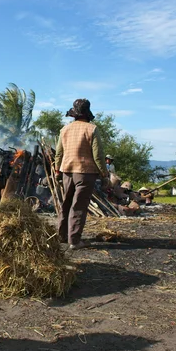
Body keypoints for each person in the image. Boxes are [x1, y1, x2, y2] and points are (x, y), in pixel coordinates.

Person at [54, 98, 108, 250]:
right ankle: (75, 241)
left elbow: (58, 153)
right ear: (87, 113)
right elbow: (97, 155)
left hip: (67, 171)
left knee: (66, 204)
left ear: (74, 114)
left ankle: (62, 236)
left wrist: (57, 170)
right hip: (85, 173)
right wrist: (104, 174)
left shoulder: (64, 129)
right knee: (79, 206)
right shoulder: (91, 129)